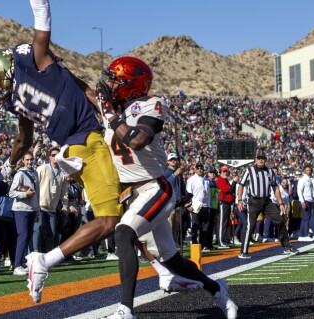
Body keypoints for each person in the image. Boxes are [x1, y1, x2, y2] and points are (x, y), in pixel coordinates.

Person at [0, 0, 122, 303]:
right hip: (88, 144)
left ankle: (165, 268)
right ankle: (44, 262)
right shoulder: (38, 62)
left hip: (72, 149)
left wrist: (11, 161)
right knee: (110, 220)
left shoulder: (16, 101)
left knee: (132, 206)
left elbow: (24, 142)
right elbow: (42, 9)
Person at [96, 57, 237, 319]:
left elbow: (138, 140)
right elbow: (84, 90)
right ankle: (217, 288)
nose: (110, 85)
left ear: (131, 85)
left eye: (116, 81)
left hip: (155, 188)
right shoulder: (112, 109)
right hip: (134, 193)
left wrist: (112, 117)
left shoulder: (151, 104)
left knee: (124, 233)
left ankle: (125, 309)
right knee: (171, 259)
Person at [236, 153, 298, 259]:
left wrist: (281, 203)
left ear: (265, 160)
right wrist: (240, 200)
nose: (261, 161)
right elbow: (241, 185)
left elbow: (275, 187)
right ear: (255, 160)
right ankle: (243, 251)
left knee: (279, 220)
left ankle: (287, 246)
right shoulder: (249, 170)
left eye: (263, 159)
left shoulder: (269, 171)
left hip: (267, 201)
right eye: (259, 159)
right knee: (251, 225)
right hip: (254, 201)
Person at [10, 153, 39, 275]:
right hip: (21, 209)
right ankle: (16, 265)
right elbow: (11, 192)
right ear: (23, 160)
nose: (29, 162)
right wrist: (24, 194)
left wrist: (37, 209)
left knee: (27, 237)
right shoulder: (20, 174)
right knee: (23, 235)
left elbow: (38, 193)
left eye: (31, 159)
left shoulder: (35, 173)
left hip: (32, 209)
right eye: (27, 159)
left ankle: (22, 263)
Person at [35, 146, 68, 253]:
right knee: (38, 230)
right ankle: (36, 253)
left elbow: (64, 193)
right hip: (40, 205)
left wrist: (65, 205)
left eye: (57, 155)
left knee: (52, 232)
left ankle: (48, 255)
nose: (55, 157)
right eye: (53, 155)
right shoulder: (42, 168)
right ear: (49, 157)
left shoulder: (62, 173)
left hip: (52, 208)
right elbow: (34, 185)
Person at [186, 163, 212, 250]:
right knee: (195, 225)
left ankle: (203, 244)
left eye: (201, 168)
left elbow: (207, 193)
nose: (200, 169)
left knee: (205, 226)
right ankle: (194, 243)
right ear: (195, 169)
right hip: (195, 205)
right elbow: (189, 193)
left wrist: (208, 205)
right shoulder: (191, 180)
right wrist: (189, 204)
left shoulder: (206, 179)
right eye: (198, 168)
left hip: (205, 205)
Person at [216, 165, 235, 248]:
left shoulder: (225, 180)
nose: (225, 173)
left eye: (226, 171)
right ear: (220, 172)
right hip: (223, 203)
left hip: (227, 203)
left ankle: (223, 240)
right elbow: (229, 190)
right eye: (223, 171)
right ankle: (221, 241)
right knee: (222, 223)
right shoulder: (220, 180)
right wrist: (234, 182)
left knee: (225, 223)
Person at [296, 165, 314, 241]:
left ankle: (302, 234)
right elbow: (299, 190)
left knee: (306, 218)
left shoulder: (310, 179)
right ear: (304, 171)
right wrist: (302, 201)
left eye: (310, 170)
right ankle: (305, 234)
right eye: (307, 170)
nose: (309, 172)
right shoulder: (303, 179)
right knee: (306, 217)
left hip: (309, 200)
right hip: (305, 200)